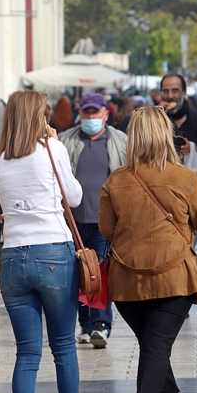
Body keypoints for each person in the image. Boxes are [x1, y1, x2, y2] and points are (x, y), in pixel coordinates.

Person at [99, 106, 197, 393]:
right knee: (156, 346)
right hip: (174, 279)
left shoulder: (117, 179)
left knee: (153, 345)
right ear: (166, 135)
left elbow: (107, 229)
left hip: (126, 283)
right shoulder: (184, 178)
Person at [0, 89, 88, 393]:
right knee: (63, 346)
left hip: (13, 257)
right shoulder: (51, 150)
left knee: (26, 353)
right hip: (53, 253)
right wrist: (54, 144)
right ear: (38, 116)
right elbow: (74, 198)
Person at [59, 92, 128, 348]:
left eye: (95, 112)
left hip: (105, 222)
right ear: (80, 113)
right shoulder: (65, 141)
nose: (90, 117)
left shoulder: (120, 141)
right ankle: (85, 324)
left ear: (105, 114)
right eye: (86, 112)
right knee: (78, 274)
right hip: (72, 222)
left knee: (98, 271)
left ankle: (101, 324)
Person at [160, 73, 197, 166]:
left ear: (184, 92)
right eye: (165, 91)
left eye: (175, 91)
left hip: (191, 178)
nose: (170, 96)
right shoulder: (155, 120)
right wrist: (156, 116)